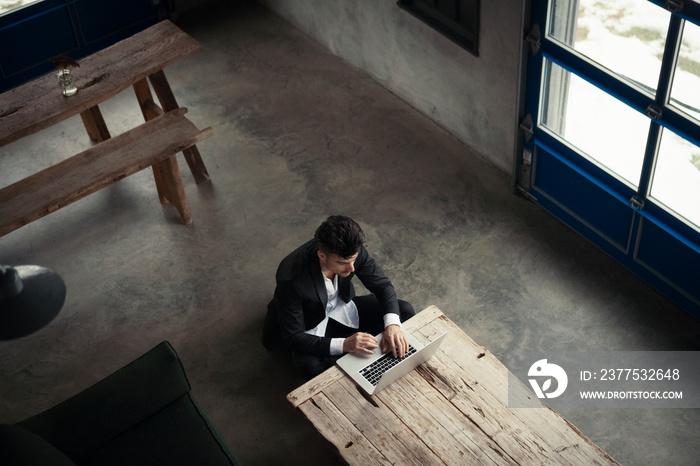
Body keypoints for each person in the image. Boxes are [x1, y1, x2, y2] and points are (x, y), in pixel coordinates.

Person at [262, 215, 415, 380]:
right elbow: (294, 337)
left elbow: (382, 286)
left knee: (404, 311)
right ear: (322, 256)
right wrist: (344, 344)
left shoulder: (352, 250)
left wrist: (392, 326)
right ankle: (356, 353)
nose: (351, 268)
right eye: (342, 263)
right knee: (310, 368)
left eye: (354, 260)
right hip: (309, 324)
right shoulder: (291, 279)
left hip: (341, 308)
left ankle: (364, 351)